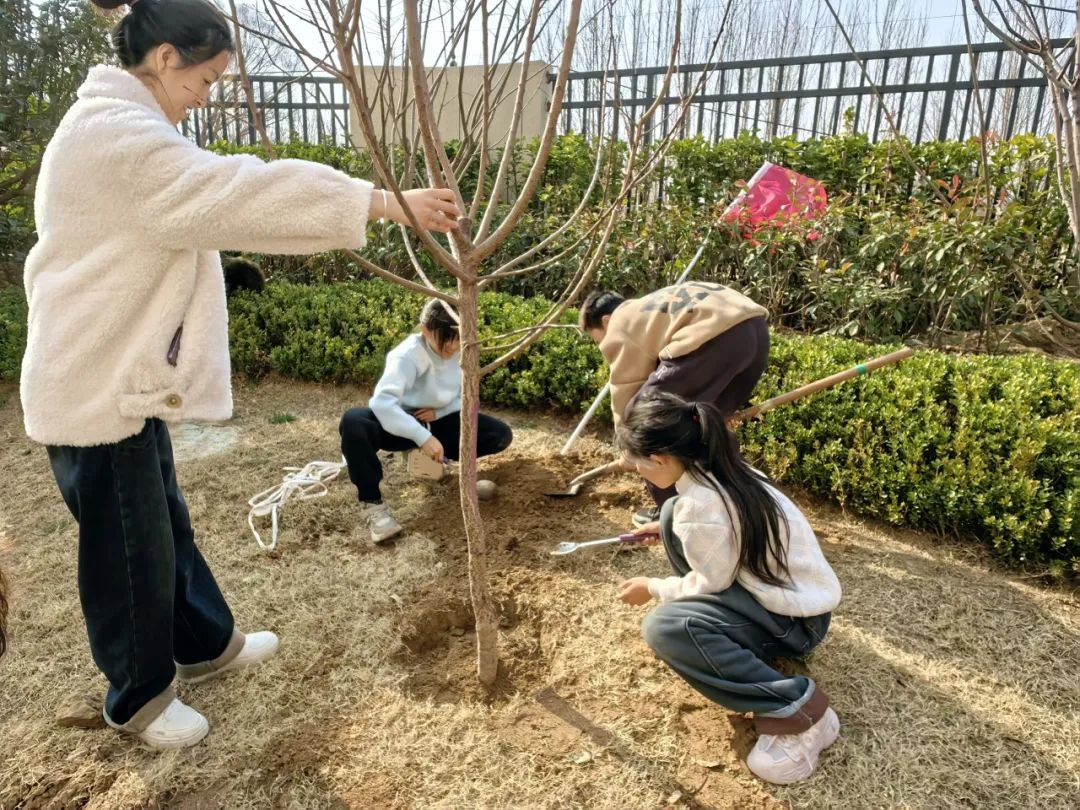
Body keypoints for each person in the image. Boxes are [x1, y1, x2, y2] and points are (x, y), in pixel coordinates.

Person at [21, 0, 460, 749]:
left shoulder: (121, 126)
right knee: (129, 550)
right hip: (95, 385)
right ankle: (141, 701)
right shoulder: (120, 140)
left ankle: (204, 646)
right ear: (166, 60)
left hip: (115, 377)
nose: (209, 93)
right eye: (208, 77)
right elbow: (242, 192)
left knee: (162, 525)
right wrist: (382, 203)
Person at [616, 391, 842, 785]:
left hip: (795, 625)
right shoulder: (725, 471)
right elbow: (722, 539)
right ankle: (736, 645)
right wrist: (671, 528)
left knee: (666, 627)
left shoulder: (701, 507)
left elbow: (710, 583)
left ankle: (798, 710)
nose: (635, 470)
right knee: (668, 514)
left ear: (662, 459)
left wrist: (653, 587)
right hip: (803, 606)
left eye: (638, 464)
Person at [579, 282, 769, 526]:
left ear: (605, 321)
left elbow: (626, 386)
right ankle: (745, 504)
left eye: (597, 340)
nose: (603, 347)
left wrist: (628, 445)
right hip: (755, 332)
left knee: (644, 422)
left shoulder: (619, 323)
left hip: (714, 341)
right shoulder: (651, 306)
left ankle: (673, 512)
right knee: (710, 424)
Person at [339, 300, 513, 543]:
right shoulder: (408, 355)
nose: (453, 346)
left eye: (458, 338)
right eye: (447, 338)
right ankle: (372, 505)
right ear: (426, 330)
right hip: (400, 423)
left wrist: (441, 412)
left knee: (499, 434)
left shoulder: (464, 347)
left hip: (436, 418)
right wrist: (423, 438)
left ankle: (428, 459)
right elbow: (382, 403)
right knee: (354, 422)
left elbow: (467, 395)